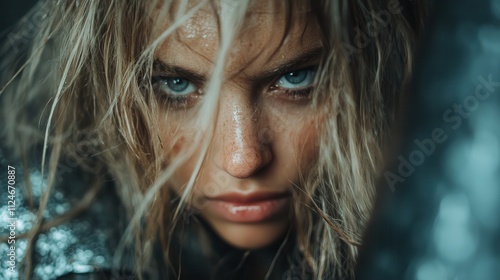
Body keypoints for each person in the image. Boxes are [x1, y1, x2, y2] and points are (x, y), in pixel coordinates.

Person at [0, 0, 427, 279]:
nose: (242, 159)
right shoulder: (43, 244)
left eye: (296, 78)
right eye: (176, 86)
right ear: (107, 84)